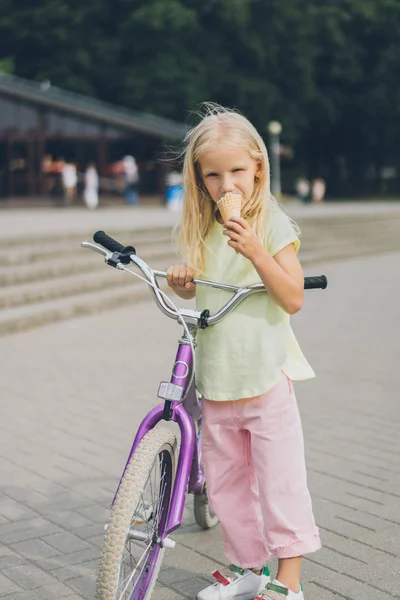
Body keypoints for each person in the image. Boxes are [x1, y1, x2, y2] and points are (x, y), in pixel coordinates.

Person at [166, 104, 321, 600]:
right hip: (218, 377)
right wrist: (182, 280)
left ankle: (289, 580)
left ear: (258, 165)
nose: (225, 183)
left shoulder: (272, 223)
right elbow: (201, 290)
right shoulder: (204, 224)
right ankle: (247, 566)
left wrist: (255, 250)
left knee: (279, 479)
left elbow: (292, 296)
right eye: (213, 175)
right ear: (200, 179)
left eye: (236, 170)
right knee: (227, 483)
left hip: (265, 374)